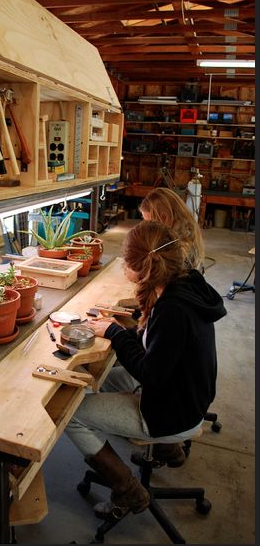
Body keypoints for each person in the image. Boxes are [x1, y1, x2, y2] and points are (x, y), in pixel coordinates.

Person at [65, 220, 226, 520]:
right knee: (95, 378)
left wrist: (114, 332)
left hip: (171, 409)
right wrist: (123, 327)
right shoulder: (186, 283)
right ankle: (168, 450)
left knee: (70, 413)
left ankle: (128, 491)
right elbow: (160, 351)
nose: (124, 265)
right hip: (187, 394)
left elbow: (149, 373)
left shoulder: (173, 310)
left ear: (145, 267)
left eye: (127, 261)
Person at [139, 187, 205, 271]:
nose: (147, 227)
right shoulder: (178, 226)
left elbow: (165, 275)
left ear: (164, 218)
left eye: (150, 222)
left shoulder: (181, 243)